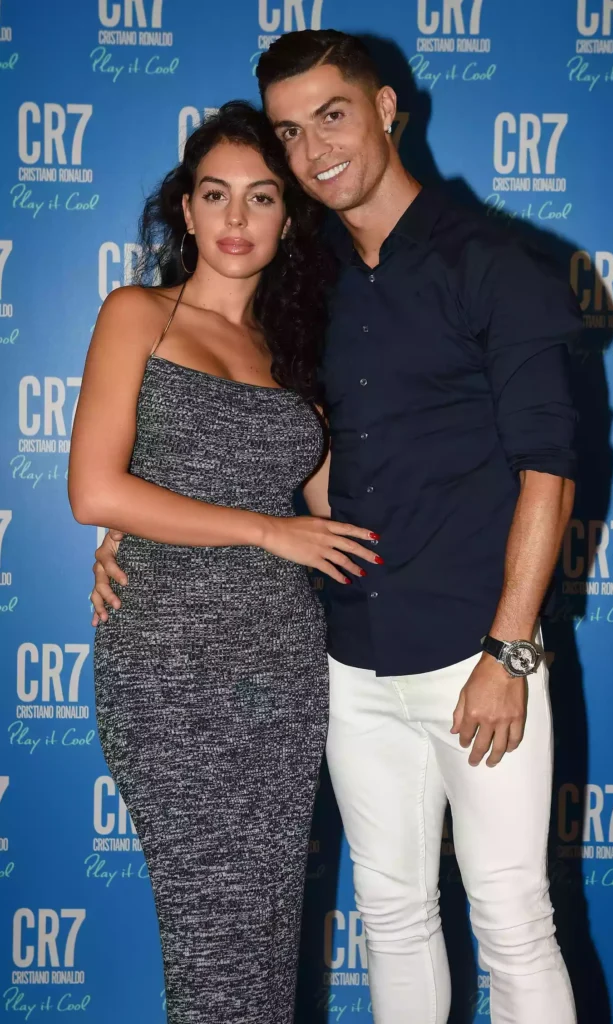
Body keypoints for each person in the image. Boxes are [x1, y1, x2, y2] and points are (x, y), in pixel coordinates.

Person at [92, 31, 580, 1024]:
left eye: (331, 115)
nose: (312, 148)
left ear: (386, 109)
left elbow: (550, 469)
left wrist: (510, 650)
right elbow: (282, 472)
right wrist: (131, 524)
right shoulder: (311, 291)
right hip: (344, 660)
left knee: (512, 921)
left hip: (474, 652)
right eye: (289, 131)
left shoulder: (495, 264)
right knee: (389, 917)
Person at [68, 101, 379, 1024]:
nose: (236, 218)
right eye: (215, 195)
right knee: (208, 933)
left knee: (266, 935)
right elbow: (95, 491)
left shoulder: (294, 354)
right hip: (167, 670)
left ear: (288, 218)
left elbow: (335, 511)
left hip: (282, 672)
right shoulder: (138, 314)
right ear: (187, 211)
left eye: (261, 197)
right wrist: (265, 531)